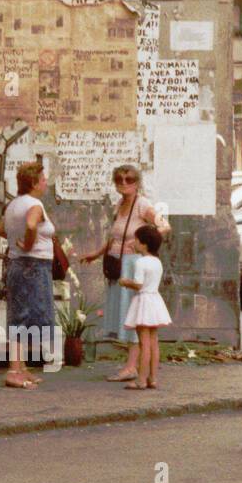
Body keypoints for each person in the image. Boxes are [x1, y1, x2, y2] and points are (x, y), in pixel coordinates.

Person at [78, 164, 166, 382]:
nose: (123, 183)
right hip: (118, 263)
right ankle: (131, 364)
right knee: (125, 314)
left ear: (137, 183)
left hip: (133, 264)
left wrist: (144, 243)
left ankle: (131, 367)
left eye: (129, 179)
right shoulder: (119, 204)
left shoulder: (142, 205)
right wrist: (97, 254)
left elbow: (164, 226)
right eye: (119, 180)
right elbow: (114, 237)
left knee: (133, 313)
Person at [0, 161, 56, 389]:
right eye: (42, 179)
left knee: (20, 315)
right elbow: (31, 224)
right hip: (33, 265)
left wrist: (16, 242)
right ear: (33, 182)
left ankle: (20, 368)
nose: (45, 182)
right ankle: (13, 371)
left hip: (17, 264)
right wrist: (29, 244)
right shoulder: (35, 205)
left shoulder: (13, 205)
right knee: (26, 316)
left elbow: (1, 230)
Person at [119, 225, 171, 390]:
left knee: (144, 343)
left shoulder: (140, 262)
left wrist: (126, 282)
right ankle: (153, 378)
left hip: (143, 302)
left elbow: (139, 284)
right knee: (154, 342)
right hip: (155, 301)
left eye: (136, 239)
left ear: (144, 244)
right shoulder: (157, 262)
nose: (134, 242)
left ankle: (141, 380)